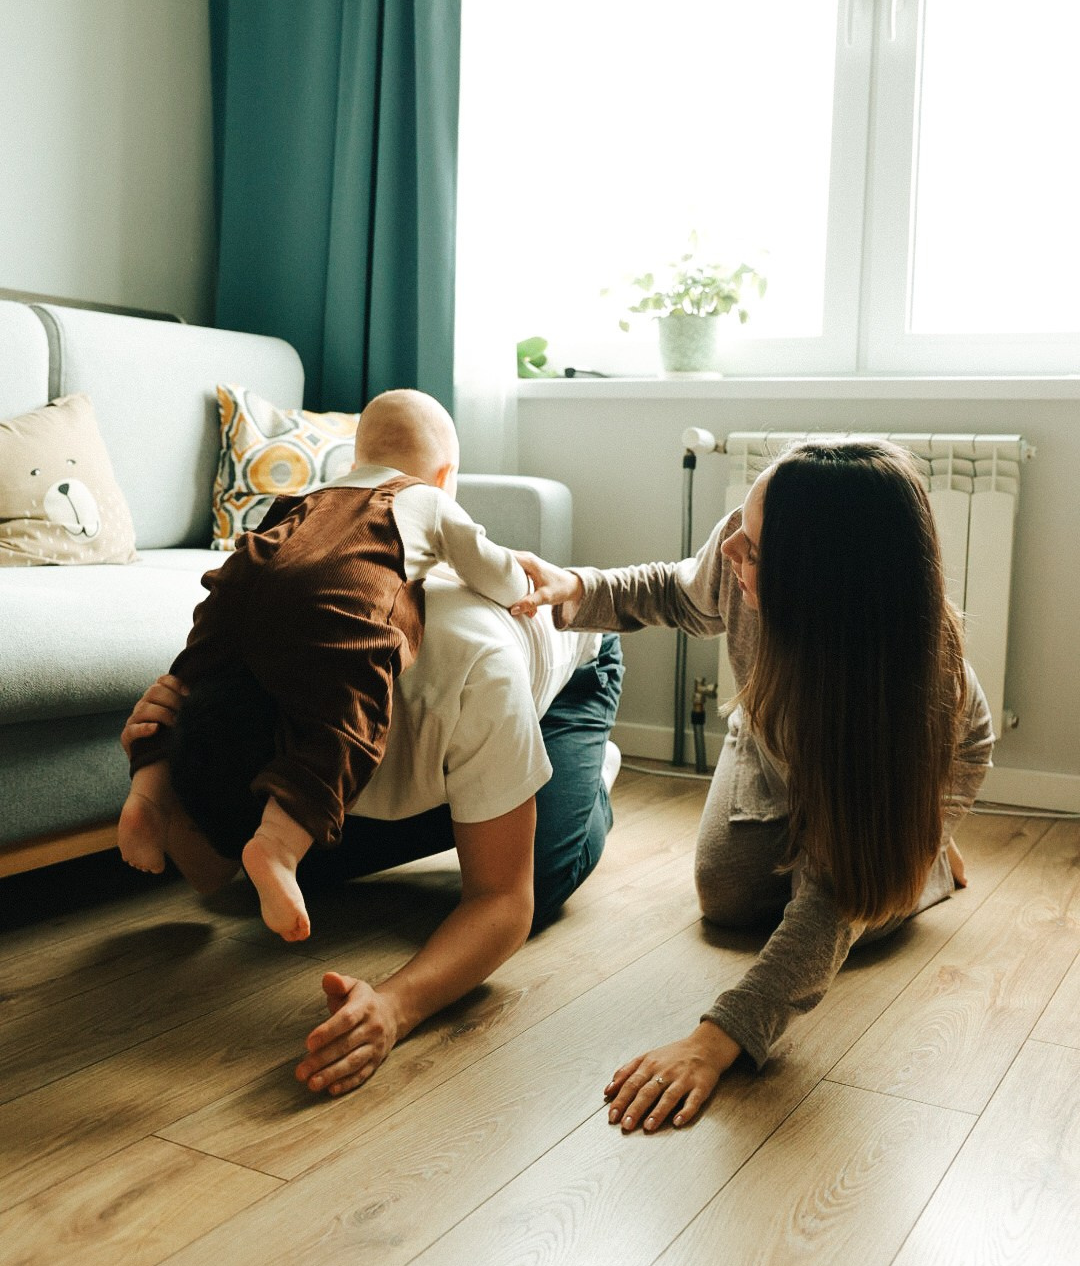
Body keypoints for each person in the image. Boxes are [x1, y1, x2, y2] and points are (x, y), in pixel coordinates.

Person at [513, 437, 995, 1133]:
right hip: (772, 730)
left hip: (899, 769)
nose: (730, 549)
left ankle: (911, 844)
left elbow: (830, 906)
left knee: (857, 896)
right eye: (738, 523)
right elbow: (679, 589)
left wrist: (717, 1038)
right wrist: (580, 589)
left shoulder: (908, 699)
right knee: (731, 894)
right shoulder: (749, 546)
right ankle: (876, 840)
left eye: (754, 550)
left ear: (822, 585)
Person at [121, 572, 624, 1098]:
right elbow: (213, 875)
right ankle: (477, 797)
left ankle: (578, 780)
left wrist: (394, 1006)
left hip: (566, 666)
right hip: (421, 732)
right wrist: (154, 771)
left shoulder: (472, 676)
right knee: (277, 877)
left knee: (539, 880)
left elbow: (502, 902)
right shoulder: (224, 662)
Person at [118, 389, 529, 943]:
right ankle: (279, 847)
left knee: (188, 687)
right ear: (445, 474)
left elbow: (267, 537)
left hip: (247, 575)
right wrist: (524, 583)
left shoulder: (313, 493)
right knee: (344, 720)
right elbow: (494, 573)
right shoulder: (426, 498)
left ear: (354, 462)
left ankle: (146, 795)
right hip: (337, 596)